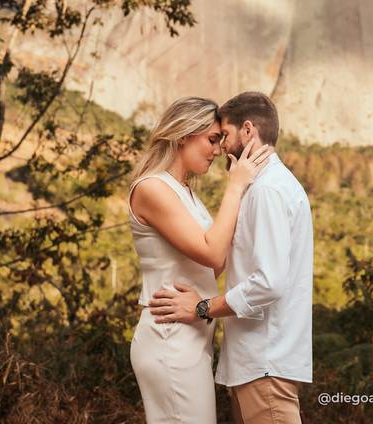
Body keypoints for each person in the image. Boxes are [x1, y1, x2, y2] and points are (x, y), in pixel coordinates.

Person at [150, 91, 313, 424]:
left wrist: (202, 307)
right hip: (254, 364)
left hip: (265, 364)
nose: (221, 146)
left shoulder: (267, 189)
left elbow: (268, 283)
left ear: (248, 131)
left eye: (224, 136)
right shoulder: (261, 187)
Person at [127, 96, 272, 423]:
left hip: (191, 339)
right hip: (169, 338)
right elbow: (211, 252)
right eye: (211, 139)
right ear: (183, 135)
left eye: (221, 140)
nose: (219, 149)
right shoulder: (152, 188)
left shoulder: (186, 193)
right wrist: (235, 186)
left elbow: (213, 265)